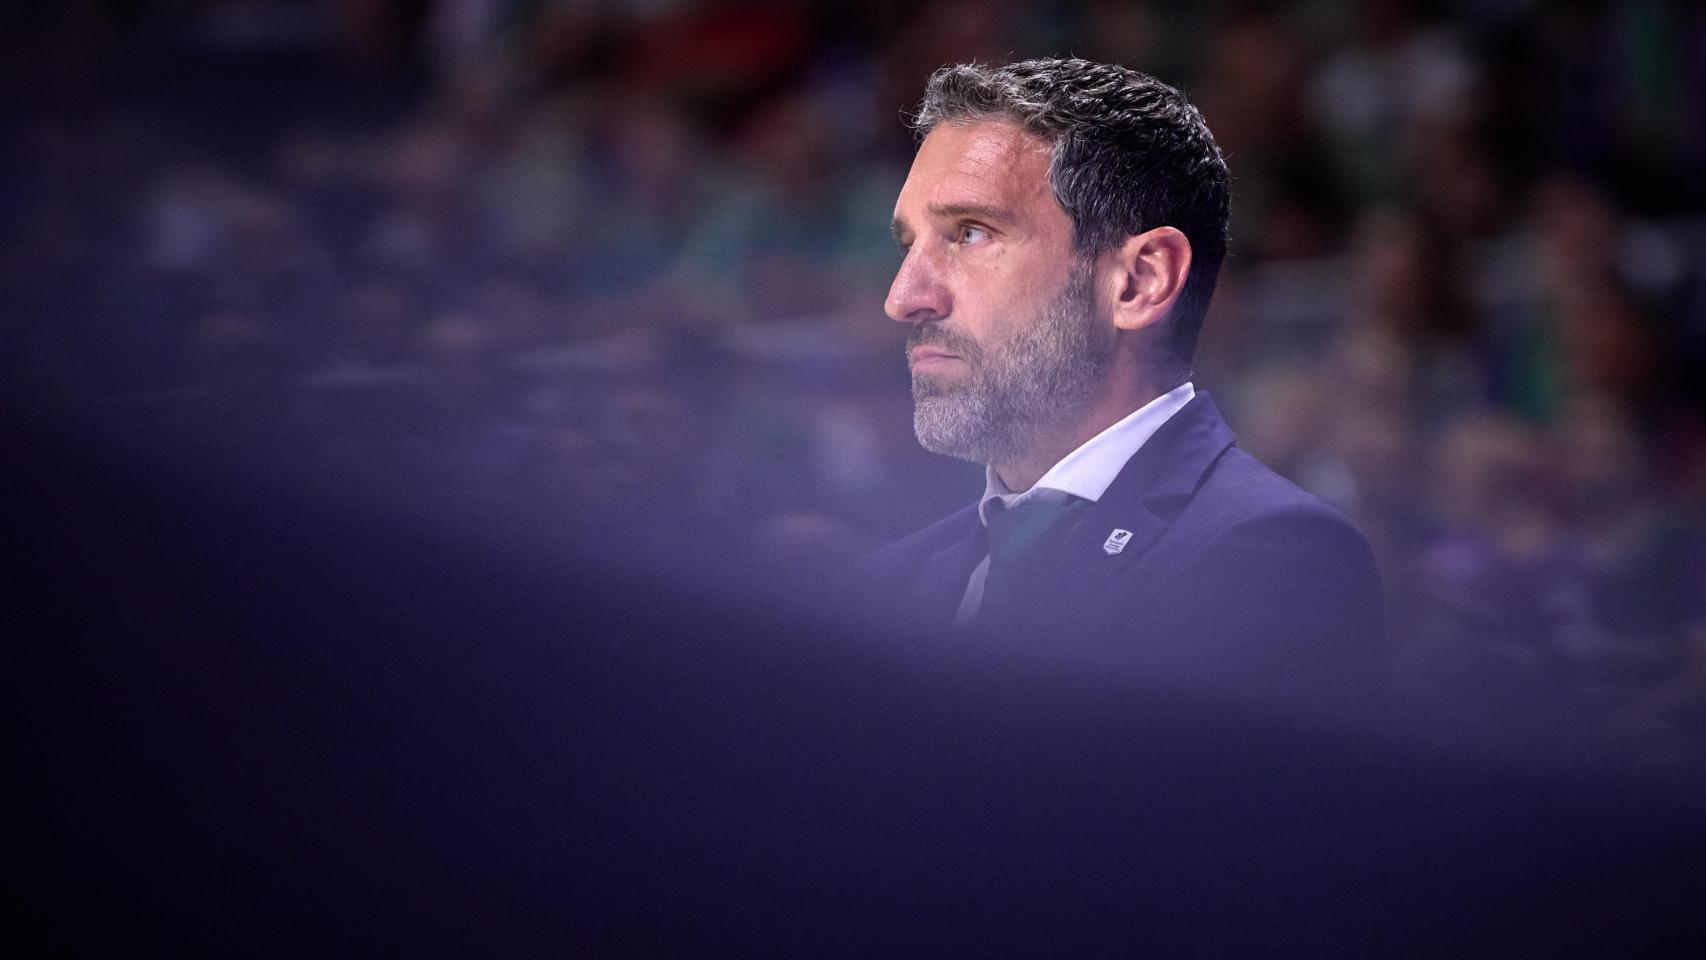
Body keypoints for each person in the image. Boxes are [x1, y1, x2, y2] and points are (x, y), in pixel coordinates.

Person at [849, 58, 1385, 705]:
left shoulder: (1271, 559)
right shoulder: (887, 583)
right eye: (910, 244)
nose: (904, 297)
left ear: (1140, 281)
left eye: (969, 233)